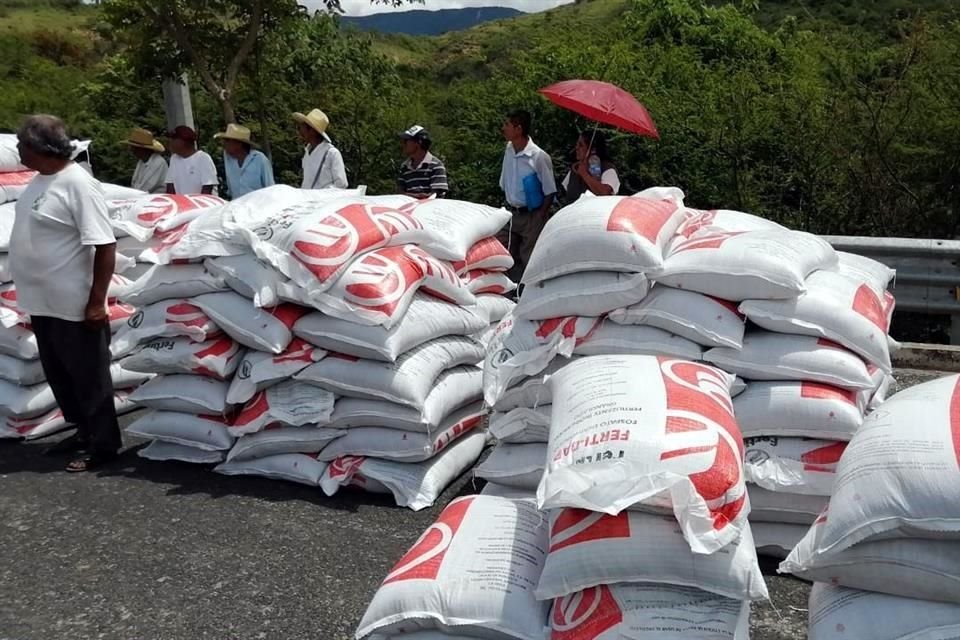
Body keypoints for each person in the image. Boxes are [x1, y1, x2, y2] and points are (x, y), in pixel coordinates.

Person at [9, 115, 121, 472]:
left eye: (21, 144)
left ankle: (104, 444)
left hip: (74, 304)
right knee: (61, 375)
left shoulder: (78, 184)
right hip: (43, 302)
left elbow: (104, 245)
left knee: (89, 377)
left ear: (39, 147)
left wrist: (96, 302)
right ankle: (83, 431)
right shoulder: (40, 181)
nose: (17, 150)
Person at [498, 109, 557, 284]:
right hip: (511, 213)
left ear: (518, 129)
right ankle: (511, 290)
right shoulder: (509, 149)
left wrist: (540, 215)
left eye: (507, 125)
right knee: (504, 253)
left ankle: (531, 290)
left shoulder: (538, 157)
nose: (503, 128)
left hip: (531, 215)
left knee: (529, 258)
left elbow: (550, 190)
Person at [214, 123, 274, 199]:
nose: (224, 143)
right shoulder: (228, 158)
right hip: (237, 204)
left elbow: (270, 188)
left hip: (258, 204)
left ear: (239, 144)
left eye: (227, 140)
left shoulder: (260, 159)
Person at [292, 108, 348, 190]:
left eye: (300, 128)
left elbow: (341, 184)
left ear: (312, 131)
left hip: (323, 198)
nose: (299, 132)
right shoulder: (307, 153)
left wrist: (320, 194)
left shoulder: (332, 153)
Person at [561, 130, 621, 203]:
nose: (576, 148)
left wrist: (584, 174)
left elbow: (604, 194)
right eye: (576, 144)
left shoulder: (608, 169)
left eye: (581, 145)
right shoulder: (575, 168)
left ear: (593, 149)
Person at [397, 125, 448, 199]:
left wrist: (407, 196)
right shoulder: (404, 167)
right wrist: (419, 196)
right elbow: (399, 194)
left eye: (406, 141)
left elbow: (434, 197)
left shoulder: (436, 165)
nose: (403, 144)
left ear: (418, 143)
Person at [165, 125, 218, 195]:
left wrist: (194, 202)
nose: (170, 142)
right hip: (181, 201)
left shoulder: (203, 158)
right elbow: (170, 186)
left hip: (202, 201)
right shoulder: (174, 159)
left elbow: (207, 189)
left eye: (173, 139)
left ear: (183, 141)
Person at [122, 127, 168, 194]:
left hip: (155, 198)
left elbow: (144, 189)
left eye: (134, 148)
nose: (132, 150)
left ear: (143, 149)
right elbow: (135, 184)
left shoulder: (158, 163)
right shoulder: (142, 161)